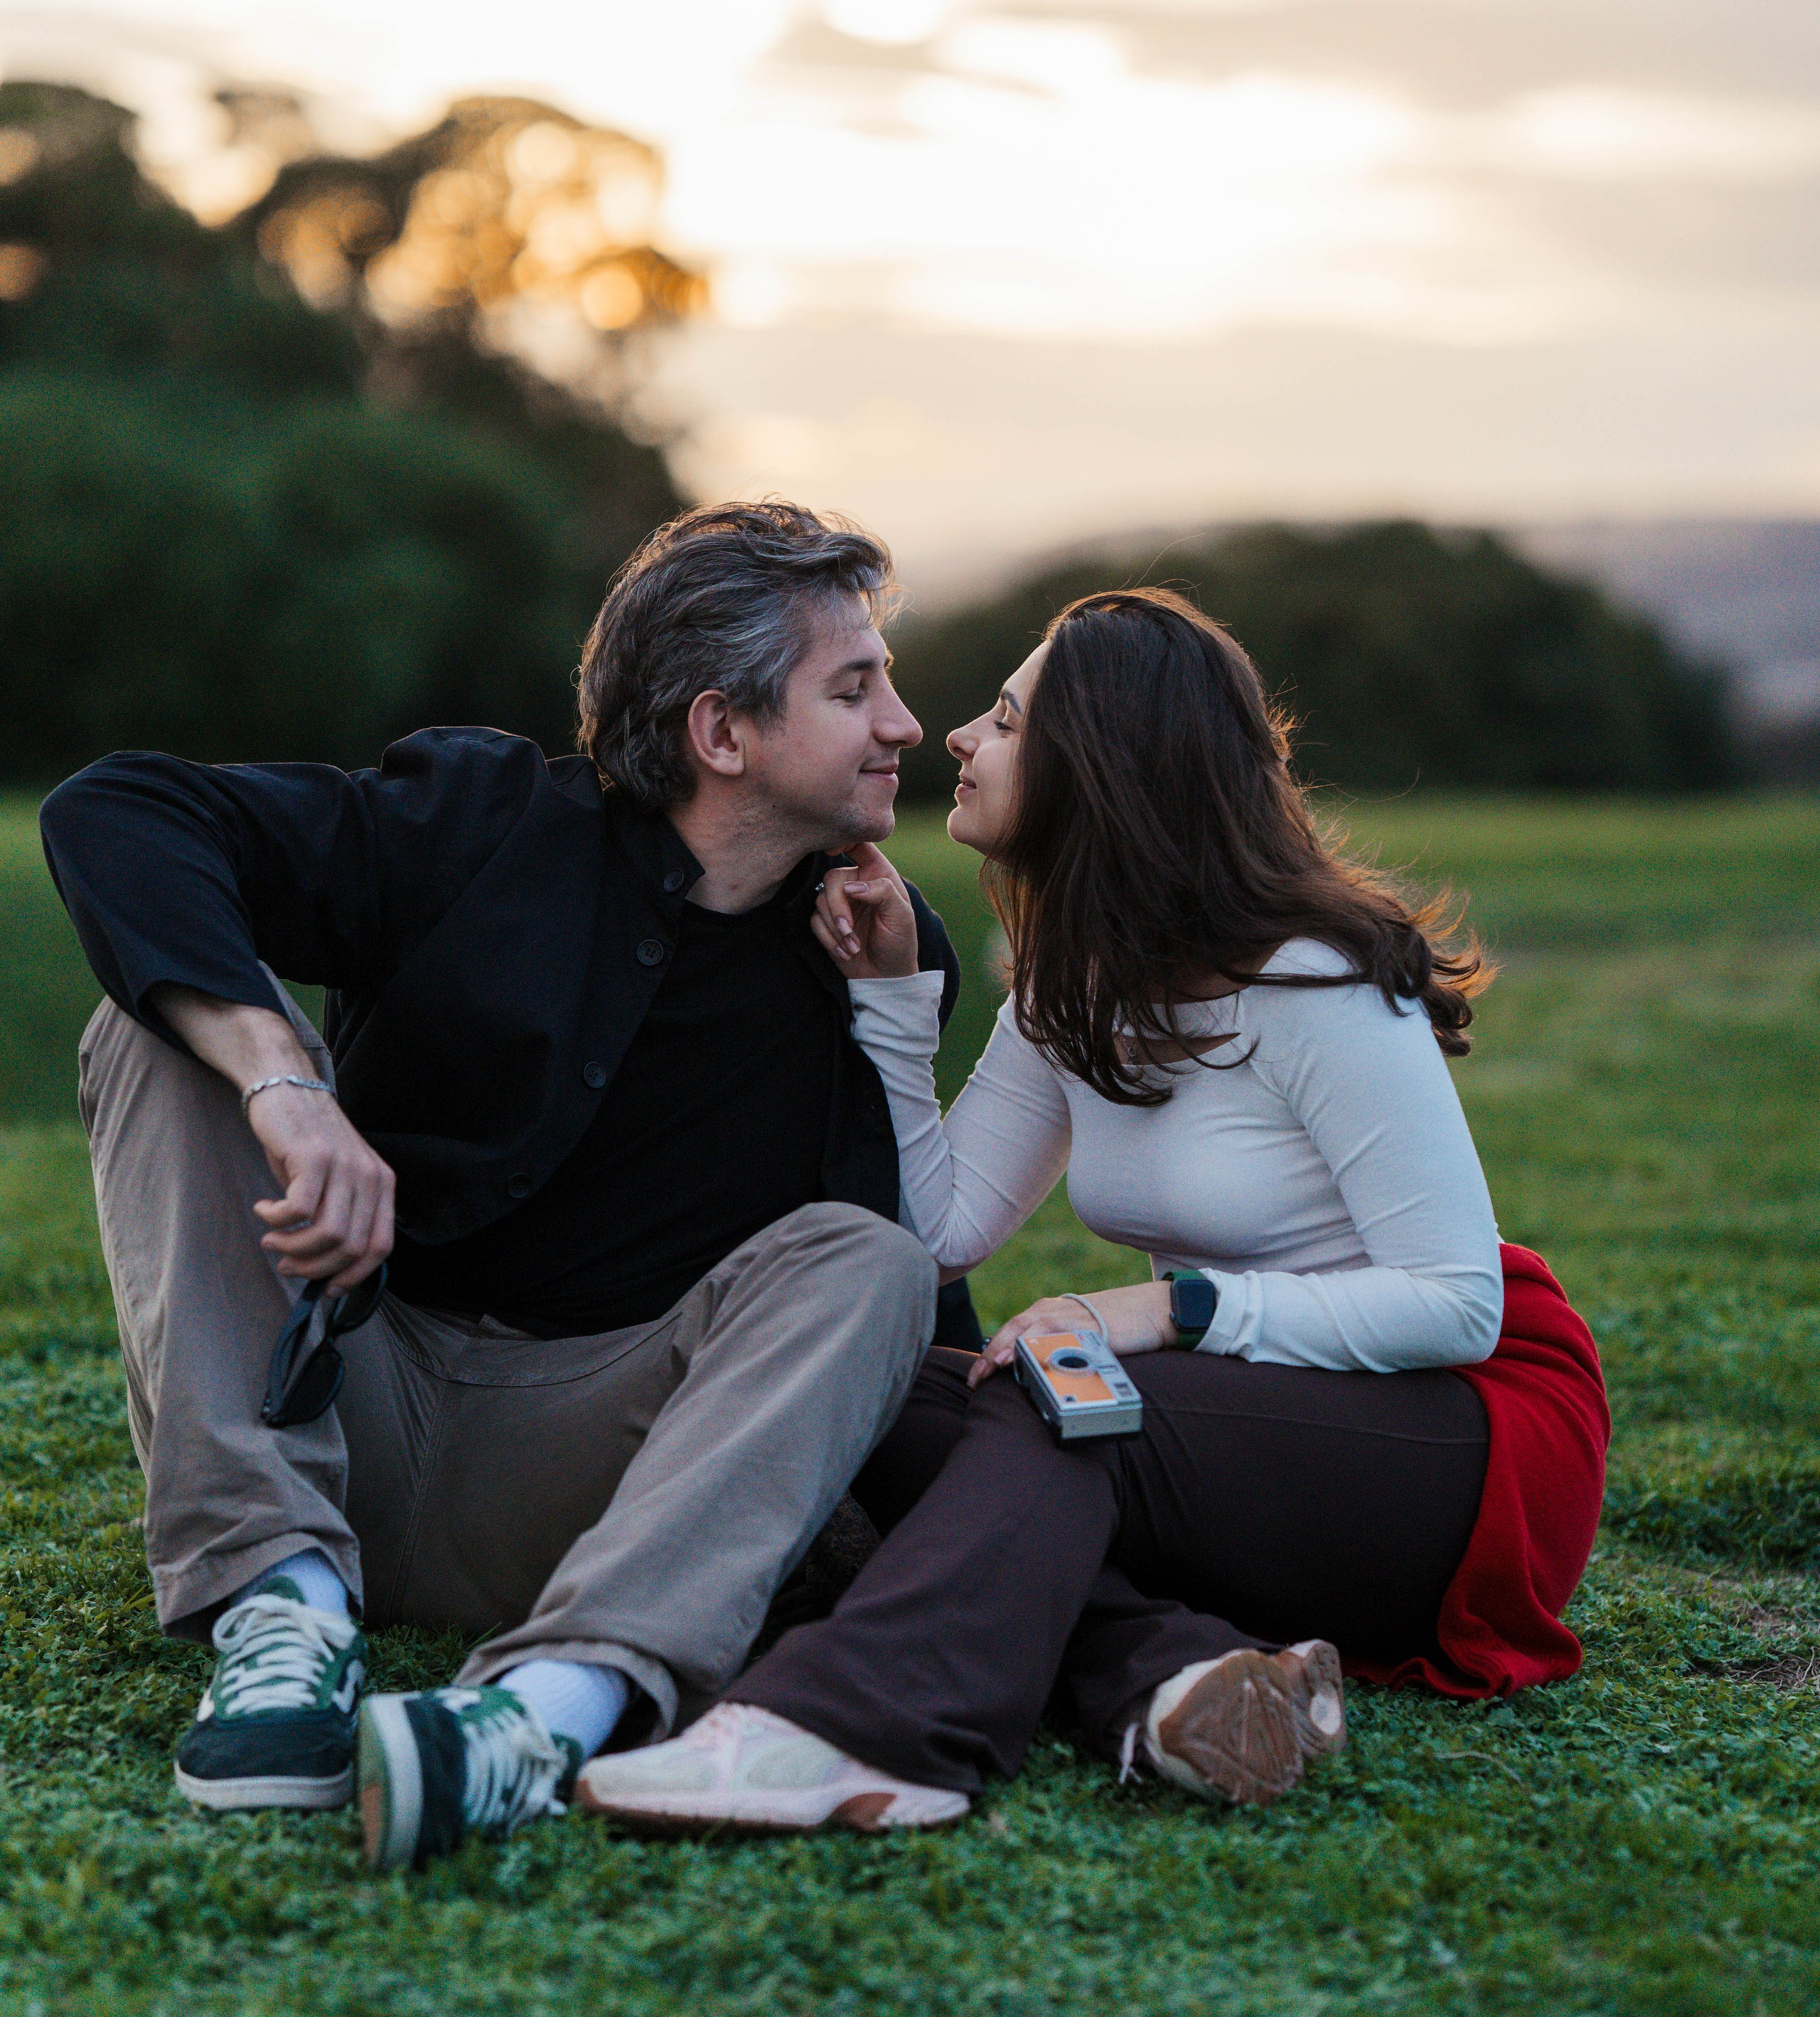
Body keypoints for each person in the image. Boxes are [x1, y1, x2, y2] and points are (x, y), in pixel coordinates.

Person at [576, 587, 1610, 1837]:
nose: (957, 734)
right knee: (879, 1391)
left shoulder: (1317, 979)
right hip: (1236, 1438)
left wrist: (1170, 1308)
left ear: (1103, 768)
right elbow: (942, 1238)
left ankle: (858, 1730)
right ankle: (1165, 1678)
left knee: (1060, 1392)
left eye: (1006, 720)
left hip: (1462, 1443)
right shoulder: (1072, 986)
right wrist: (897, 1006)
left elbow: (1456, 1304)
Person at [41, 501, 984, 1871]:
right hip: (333, 1389)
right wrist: (283, 1081)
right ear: (723, 735)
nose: (903, 723)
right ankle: (279, 1616)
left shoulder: (875, 948)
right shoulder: (478, 823)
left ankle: (545, 1713)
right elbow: (119, 809)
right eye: (856, 689)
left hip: (589, 1485)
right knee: (157, 1025)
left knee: (870, 1257)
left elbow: (909, 1281)